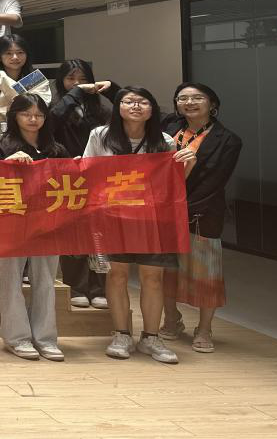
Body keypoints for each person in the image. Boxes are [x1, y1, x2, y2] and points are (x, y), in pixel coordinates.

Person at [84, 86, 197, 364]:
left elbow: (173, 183)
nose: (136, 106)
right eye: (129, 101)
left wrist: (189, 164)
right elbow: (87, 172)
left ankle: (151, 338)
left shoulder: (165, 140)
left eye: (143, 102)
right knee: (117, 276)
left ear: (152, 109)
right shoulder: (100, 135)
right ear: (118, 107)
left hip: (153, 219)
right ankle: (121, 334)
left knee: (153, 278)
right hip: (112, 217)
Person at [160, 82, 241, 354]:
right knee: (167, 269)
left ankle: (204, 328)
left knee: (207, 273)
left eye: (197, 98)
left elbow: (215, 182)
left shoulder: (228, 140)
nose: (189, 103)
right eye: (182, 98)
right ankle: (171, 319)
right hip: (165, 211)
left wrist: (182, 207)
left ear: (212, 104)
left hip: (202, 213)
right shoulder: (170, 128)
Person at [0, 94, 68, 362]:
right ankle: (17, 337)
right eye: (26, 114)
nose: (33, 119)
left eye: (39, 115)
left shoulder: (56, 148)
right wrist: (8, 164)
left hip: (48, 222)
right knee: (9, 280)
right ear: (15, 116)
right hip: (11, 223)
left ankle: (46, 338)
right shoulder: (2, 147)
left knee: (45, 281)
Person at [50, 59, 119, 308]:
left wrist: (111, 89)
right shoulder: (56, 107)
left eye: (82, 79)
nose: (77, 83)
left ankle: (99, 287)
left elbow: (130, 105)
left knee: (100, 235)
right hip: (67, 178)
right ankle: (76, 286)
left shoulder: (101, 110)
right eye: (71, 79)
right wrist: (76, 93)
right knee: (73, 234)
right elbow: (51, 122)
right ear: (61, 81)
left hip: (99, 178)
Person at [0, 34, 51, 145]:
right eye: (8, 53)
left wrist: (0, 78)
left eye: (20, 52)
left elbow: (39, 107)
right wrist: (8, 111)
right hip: (0, 143)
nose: (15, 57)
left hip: (34, 140)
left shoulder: (35, 79)